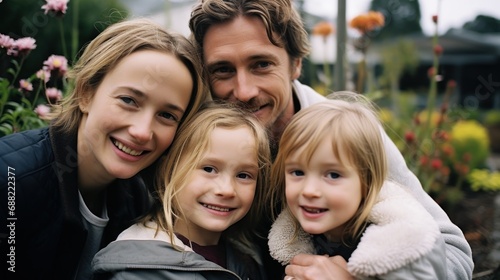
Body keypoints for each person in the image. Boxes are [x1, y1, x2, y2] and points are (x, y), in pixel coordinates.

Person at [188, 0, 473, 279]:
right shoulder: (197, 134)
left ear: (296, 64)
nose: (244, 91)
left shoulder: (343, 135)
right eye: (223, 70)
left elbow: (455, 256)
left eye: (261, 64)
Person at [0, 18, 208, 280]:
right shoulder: (11, 182)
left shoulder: (139, 199)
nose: (142, 131)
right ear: (87, 93)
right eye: (129, 100)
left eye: (167, 115)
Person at [267, 97, 447, 279]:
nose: (309, 190)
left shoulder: (404, 245)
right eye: (297, 172)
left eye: (333, 175)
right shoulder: (292, 239)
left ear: (367, 182)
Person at [92, 102, 271, 280]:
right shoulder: (139, 268)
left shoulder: (248, 259)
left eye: (243, 175)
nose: (226, 190)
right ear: (167, 172)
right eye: (209, 169)